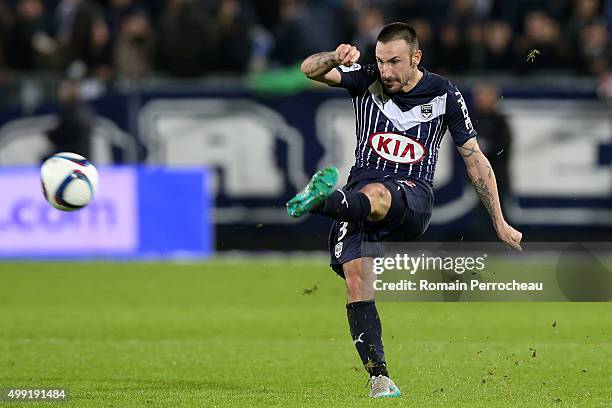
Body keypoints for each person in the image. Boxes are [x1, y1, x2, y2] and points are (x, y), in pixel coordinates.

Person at [286, 22, 522, 399]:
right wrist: (334, 55)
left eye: (395, 62)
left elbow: (475, 160)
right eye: (380, 61)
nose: (386, 71)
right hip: (359, 196)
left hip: (412, 196)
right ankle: (380, 378)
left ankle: (322, 202)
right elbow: (308, 70)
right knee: (357, 284)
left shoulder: (444, 93)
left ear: (416, 58)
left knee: (379, 193)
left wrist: (500, 221)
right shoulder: (366, 79)